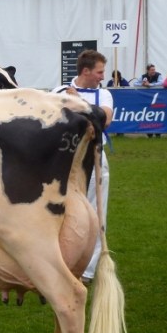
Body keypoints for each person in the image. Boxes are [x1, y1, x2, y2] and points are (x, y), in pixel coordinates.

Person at [52, 49, 113, 286]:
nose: (102, 76)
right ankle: (59, 262)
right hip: (66, 158)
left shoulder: (105, 94)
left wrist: (78, 101)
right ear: (86, 71)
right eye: (99, 72)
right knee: (61, 212)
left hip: (95, 156)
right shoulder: (58, 91)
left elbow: (105, 119)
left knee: (96, 213)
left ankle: (86, 272)